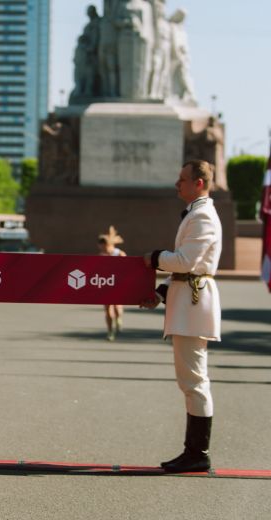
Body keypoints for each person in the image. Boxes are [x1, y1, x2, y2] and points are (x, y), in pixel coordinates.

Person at [141, 160, 222, 473]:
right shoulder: (197, 213)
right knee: (191, 378)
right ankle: (194, 451)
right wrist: (161, 293)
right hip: (188, 301)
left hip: (193, 304)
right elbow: (189, 267)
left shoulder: (202, 215)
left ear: (199, 183)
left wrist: (154, 259)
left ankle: (197, 452)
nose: (178, 184)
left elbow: (187, 262)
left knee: (194, 380)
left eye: (183, 179)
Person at [97, 226, 127, 341]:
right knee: (107, 308)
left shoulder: (120, 254)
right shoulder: (101, 255)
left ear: (107, 245)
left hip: (118, 284)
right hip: (106, 284)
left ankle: (119, 318)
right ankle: (110, 331)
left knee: (117, 307)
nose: (101, 248)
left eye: (103, 246)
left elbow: (127, 269)